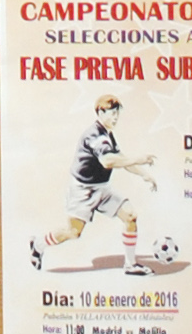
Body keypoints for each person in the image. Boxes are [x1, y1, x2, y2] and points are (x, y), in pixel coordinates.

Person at [35, 94, 152, 274]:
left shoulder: (108, 135)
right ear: (100, 112)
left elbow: (121, 159)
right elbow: (108, 161)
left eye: (117, 113)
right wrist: (138, 159)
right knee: (73, 232)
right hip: (83, 190)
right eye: (112, 113)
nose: (115, 117)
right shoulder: (94, 136)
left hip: (102, 188)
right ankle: (38, 245)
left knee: (130, 216)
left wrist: (144, 174)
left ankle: (130, 264)